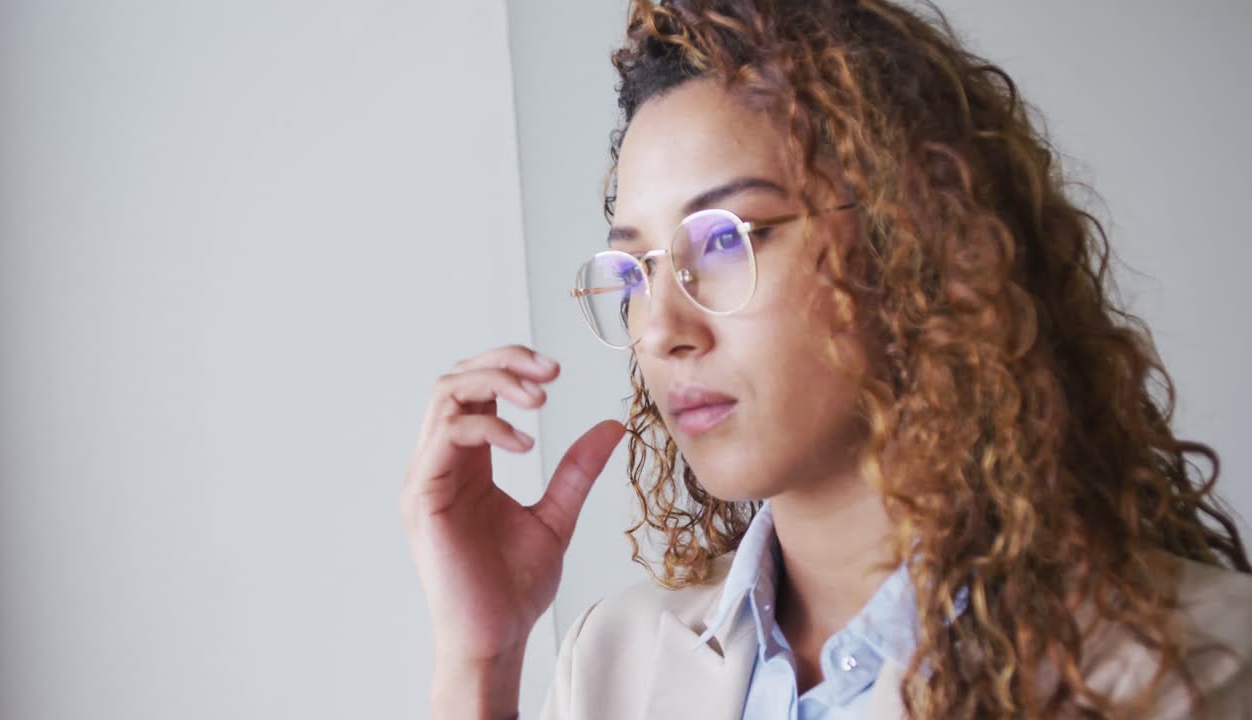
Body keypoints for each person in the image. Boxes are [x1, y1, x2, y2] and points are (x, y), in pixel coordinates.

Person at [401, 0, 1252, 717]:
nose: (660, 328)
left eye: (726, 240)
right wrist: (482, 658)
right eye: (633, 269)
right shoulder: (608, 668)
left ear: (907, 237)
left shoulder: (1184, 669)